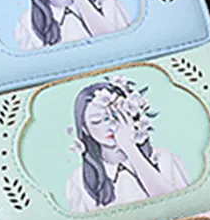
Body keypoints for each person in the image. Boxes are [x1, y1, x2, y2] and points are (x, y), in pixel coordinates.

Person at [64, 79, 189, 212]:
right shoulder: (78, 180)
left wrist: (129, 147)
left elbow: (180, 206)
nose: (110, 126)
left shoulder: (163, 159)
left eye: (116, 115)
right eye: (97, 121)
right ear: (85, 129)